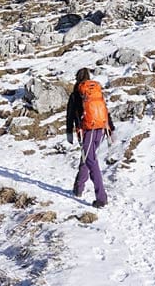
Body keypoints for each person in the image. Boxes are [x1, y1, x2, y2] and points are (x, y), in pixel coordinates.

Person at [66, 67, 115, 207]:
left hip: (87, 130)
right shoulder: (96, 91)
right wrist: (111, 128)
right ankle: (78, 188)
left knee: (90, 160)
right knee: (87, 157)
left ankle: (101, 198)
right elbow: (104, 109)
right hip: (100, 128)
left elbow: (70, 115)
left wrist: (69, 133)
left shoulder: (77, 93)